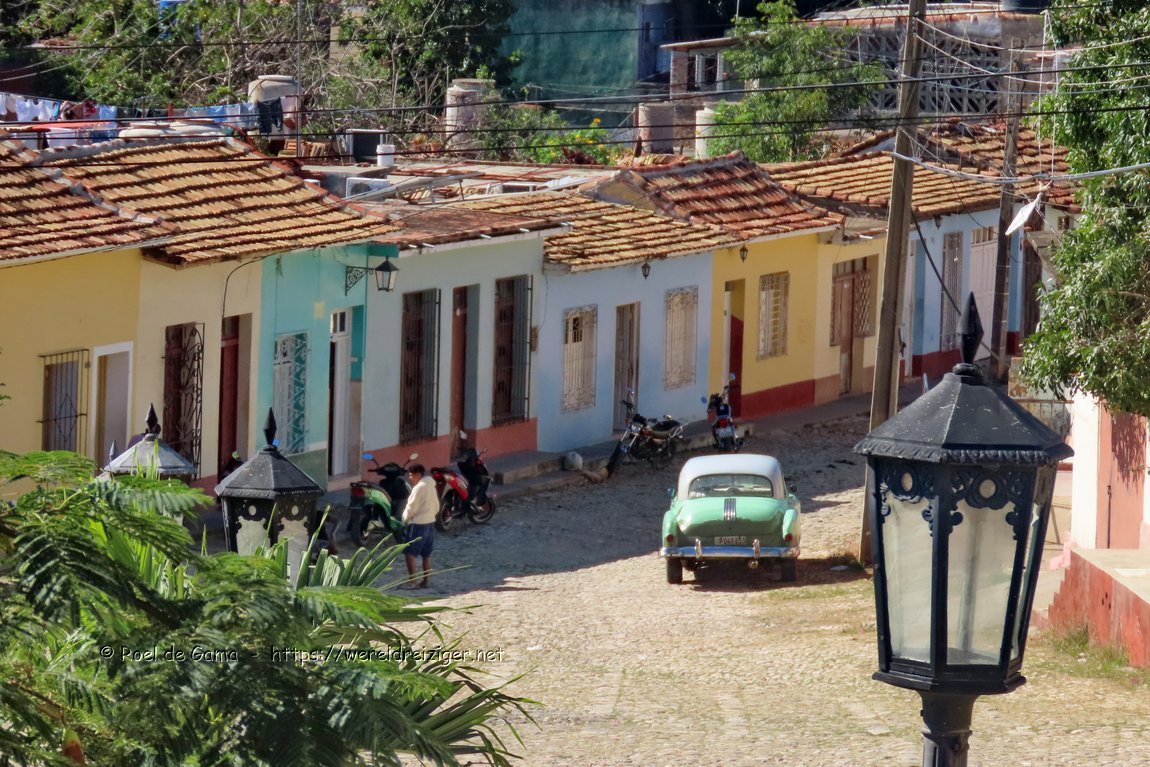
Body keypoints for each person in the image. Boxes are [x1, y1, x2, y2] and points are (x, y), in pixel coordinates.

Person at [400, 463, 437, 589]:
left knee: (410, 553)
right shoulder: (431, 486)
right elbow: (436, 505)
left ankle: (413, 582)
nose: (410, 478)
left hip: (417, 524)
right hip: (430, 523)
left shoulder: (418, 488)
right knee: (426, 555)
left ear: (418, 474)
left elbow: (411, 507)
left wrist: (404, 519)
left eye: (411, 475)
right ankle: (426, 581)